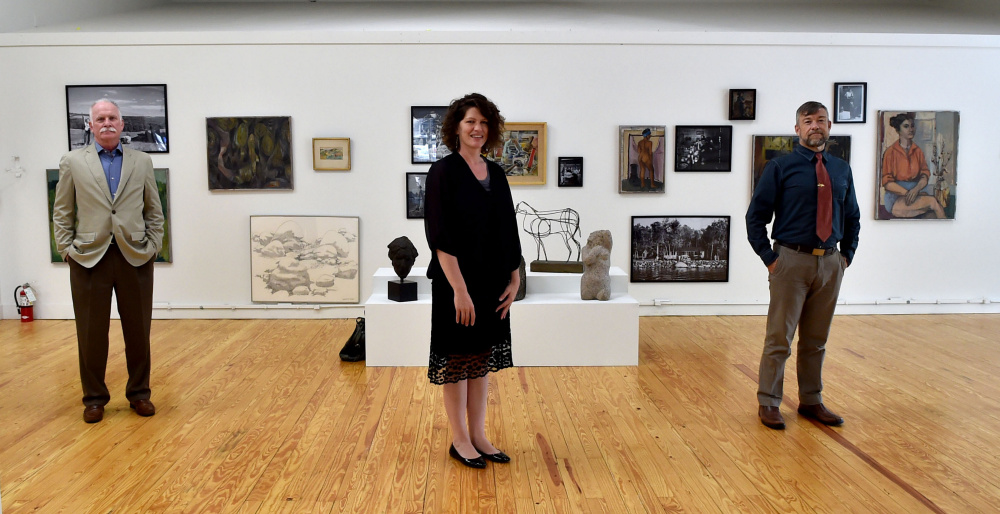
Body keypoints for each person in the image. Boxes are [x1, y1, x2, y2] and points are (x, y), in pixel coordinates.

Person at [746, 101, 860, 430]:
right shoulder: (780, 168)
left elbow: (852, 216)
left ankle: (811, 400)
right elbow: (756, 217)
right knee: (779, 338)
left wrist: (846, 255)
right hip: (789, 263)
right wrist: (770, 259)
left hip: (830, 263)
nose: (815, 126)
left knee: (816, 340)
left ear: (829, 126)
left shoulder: (841, 170)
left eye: (820, 120)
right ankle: (769, 401)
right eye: (807, 121)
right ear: (797, 129)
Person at [424, 93, 522, 468]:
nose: (477, 128)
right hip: (456, 286)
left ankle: (480, 435)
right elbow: (440, 238)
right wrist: (459, 291)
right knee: (457, 363)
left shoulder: (495, 173)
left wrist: (514, 277)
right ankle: (460, 439)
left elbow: (508, 229)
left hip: (493, 283)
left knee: (480, 362)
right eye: (470, 122)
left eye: (483, 122)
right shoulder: (443, 173)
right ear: (457, 128)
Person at [52, 99, 164, 423]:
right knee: (90, 334)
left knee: (138, 332)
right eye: (99, 118)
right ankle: (94, 399)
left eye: (112, 117)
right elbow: (62, 211)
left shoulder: (141, 161)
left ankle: (140, 394)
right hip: (88, 259)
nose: (106, 123)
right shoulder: (73, 162)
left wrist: (154, 245)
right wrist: (66, 249)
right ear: (91, 125)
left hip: (135, 257)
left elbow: (153, 209)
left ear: (122, 123)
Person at [880, 112, 945, 218]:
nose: (911, 129)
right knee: (933, 202)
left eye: (912, 126)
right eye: (906, 126)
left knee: (931, 216)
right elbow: (887, 183)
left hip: (916, 194)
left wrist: (916, 190)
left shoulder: (917, 151)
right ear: (898, 130)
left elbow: (925, 175)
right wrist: (908, 193)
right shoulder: (890, 152)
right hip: (896, 197)